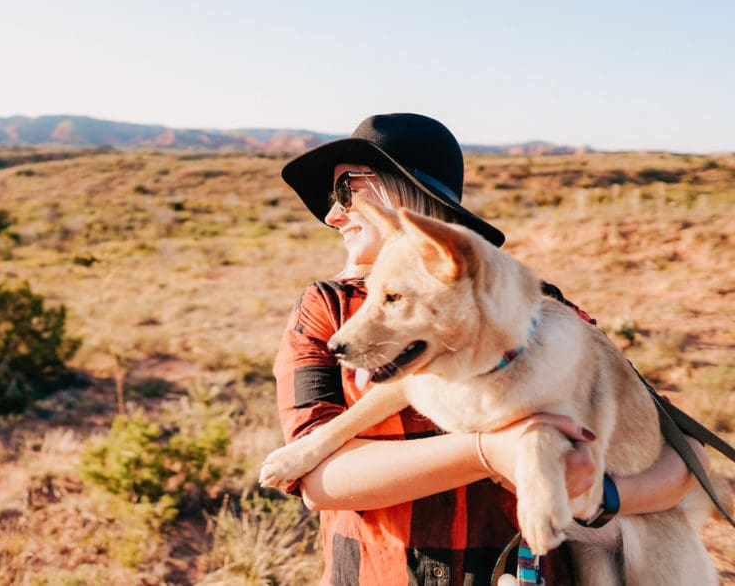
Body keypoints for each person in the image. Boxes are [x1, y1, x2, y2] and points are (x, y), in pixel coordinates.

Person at [272, 113, 707, 585]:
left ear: (406, 201)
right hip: (383, 572)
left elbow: (683, 453)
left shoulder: (537, 310)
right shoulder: (327, 310)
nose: (333, 215)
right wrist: (487, 452)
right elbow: (318, 484)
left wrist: (598, 497)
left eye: (346, 192)